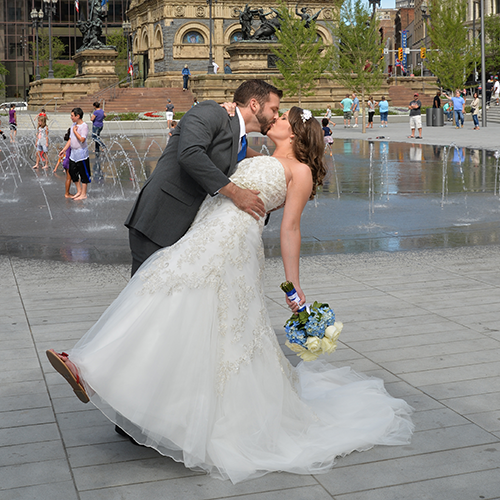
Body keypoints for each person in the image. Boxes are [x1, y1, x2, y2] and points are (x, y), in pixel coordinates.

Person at [46, 107, 413, 484]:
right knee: (171, 298)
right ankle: (127, 387)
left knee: (173, 293)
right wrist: (222, 116)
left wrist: (293, 284)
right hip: (204, 228)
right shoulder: (259, 156)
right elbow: (212, 158)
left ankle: (95, 370)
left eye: (283, 119)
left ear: (298, 133)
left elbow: (290, 230)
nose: (275, 121)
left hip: (232, 242)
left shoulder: (299, 172)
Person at [125, 79, 283, 276]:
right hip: (160, 220)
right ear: (254, 104)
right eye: (274, 109)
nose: (276, 116)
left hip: (189, 230)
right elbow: (190, 154)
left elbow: (235, 152)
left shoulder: (237, 134)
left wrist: (277, 168)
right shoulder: (212, 111)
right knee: (143, 297)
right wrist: (235, 192)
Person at [59, 108, 91, 200]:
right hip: (73, 154)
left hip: (82, 154)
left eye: (72, 116)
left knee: (83, 173)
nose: (71, 117)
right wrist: (64, 150)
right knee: (72, 172)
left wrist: (75, 131)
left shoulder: (84, 126)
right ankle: (79, 191)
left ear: (78, 116)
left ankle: (84, 194)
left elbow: (82, 139)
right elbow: (70, 140)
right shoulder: (74, 125)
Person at [53, 129, 73, 197]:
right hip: (69, 162)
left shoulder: (68, 142)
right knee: (69, 178)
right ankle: (67, 194)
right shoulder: (72, 143)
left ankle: (69, 193)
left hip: (66, 161)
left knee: (70, 178)